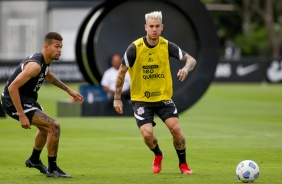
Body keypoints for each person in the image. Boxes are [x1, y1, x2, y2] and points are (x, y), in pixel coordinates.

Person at [113, 11, 196, 174]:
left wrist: (185, 69)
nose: (154, 29)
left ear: (162, 27)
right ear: (146, 27)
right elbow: (121, 72)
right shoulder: (135, 48)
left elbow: (191, 60)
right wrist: (117, 99)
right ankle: (158, 154)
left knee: (176, 130)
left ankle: (183, 164)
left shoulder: (167, 46)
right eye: (151, 26)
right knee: (147, 134)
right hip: (141, 100)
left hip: (163, 98)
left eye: (157, 26)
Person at [0, 32, 84, 178]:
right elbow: (12, 88)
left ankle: (34, 160)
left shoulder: (43, 62)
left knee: (46, 129)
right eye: (57, 46)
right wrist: (21, 115)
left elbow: (48, 75)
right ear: (46, 46)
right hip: (14, 102)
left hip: (28, 100)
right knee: (54, 126)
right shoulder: (35, 65)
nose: (60, 50)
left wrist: (68, 90)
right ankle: (53, 169)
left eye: (61, 47)